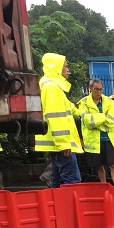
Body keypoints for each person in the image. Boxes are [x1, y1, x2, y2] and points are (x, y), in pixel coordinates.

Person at [34, 53, 83, 188]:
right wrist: (63, 144)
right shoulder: (52, 87)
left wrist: (85, 112)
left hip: (57, 144)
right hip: (61, 144)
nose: (68, 70)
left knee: (57, 180)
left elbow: (69, 108)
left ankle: (57, 208)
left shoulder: (51, 86)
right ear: (57, 69)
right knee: (72, 182)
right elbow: (55, 117)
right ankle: (69, 209)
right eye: (65, 67)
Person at [77, 79, 114, 185]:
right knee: (99, 165)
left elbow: (111, 121)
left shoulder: (110, 102)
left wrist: (95, 121)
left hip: (108, 138)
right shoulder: (84, 102)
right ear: (90, 89)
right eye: (96, 89)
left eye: (100, 89)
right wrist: (103, 117)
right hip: (94, 140)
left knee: (112, 165)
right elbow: (87, 121)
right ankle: (104, 186)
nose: (99, 92)